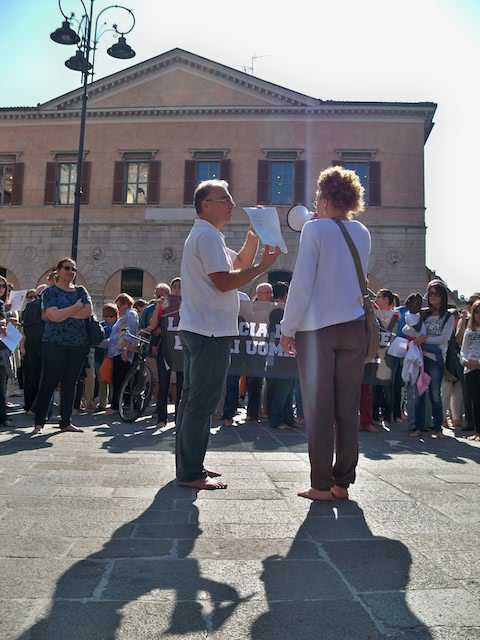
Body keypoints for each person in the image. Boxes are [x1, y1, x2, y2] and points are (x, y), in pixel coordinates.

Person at [176, 178, 280, 490]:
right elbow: (224, 281)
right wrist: (262, 267)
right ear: (205, 204)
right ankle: (191, 472)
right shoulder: (207, 236)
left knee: (191, 400)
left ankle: (190, 465)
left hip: (201, 328)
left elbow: (238, 262)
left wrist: (254, 235)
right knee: (201, 403)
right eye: (224, 199)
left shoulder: (209, 235)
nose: (232, 204)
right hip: (209, 331)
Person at [280, 166, 370, 501]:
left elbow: (302, 284)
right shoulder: (362, 231)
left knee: (319, 409)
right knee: (347, 407)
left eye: (318, 194)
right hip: (354, 327)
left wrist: (287, 328)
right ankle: (342, 483)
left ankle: (320, 484)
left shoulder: (314, 229)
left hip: (317, 330)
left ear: (327, 197)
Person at [32, 258, 93, 434]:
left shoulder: (81, 290)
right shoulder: (50, 292)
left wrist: (63, 313)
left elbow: (87, 312)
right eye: (67, 268)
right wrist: (75, 307)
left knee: (70, 383)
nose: (71, 272)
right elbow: (53, 316)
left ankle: (66, 422)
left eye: (74, 269)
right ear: (58, 270)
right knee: (49, 382)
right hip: (54, 343)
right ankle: (39, 423)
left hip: (77, 344)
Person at [404, 280, 455, 438]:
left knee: (434, 393)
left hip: (436, 359)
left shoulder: (448, 316)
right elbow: (407, 328)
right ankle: (418, 427)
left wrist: (424, 339)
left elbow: (444, 338)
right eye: (430, 293)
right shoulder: (423, 313)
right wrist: (415, 330)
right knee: (419, 393)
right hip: (420, 357)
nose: (432, 297)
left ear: (442, 296)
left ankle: (437, 427)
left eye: (436, 294)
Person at [106, 294, 139, 414]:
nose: (118, 309)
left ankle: (116, 406)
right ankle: (120, 405)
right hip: (118, 351)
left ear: (126, 304)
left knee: (120, 380)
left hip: (122, 351)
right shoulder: (125, 316)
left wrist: (125, 348)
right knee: (119, 379)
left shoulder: (131, 314)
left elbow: (130, 331)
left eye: (119, 306)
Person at [460, 299, 480, 441]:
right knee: (475, 401)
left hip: (478, 366)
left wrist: (478, 363)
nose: (479, 315)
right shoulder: (469, 331)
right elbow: (463, 351)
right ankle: (477, 432)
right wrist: (465, 361)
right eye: (476, 312)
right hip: (469, 370)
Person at [95, 303, 118, 410]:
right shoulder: (101, 325)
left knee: (112, 380)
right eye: (106, 316)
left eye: (111, 316)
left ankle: (113, 402)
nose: (108, 318)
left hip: (112, 356)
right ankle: (102, 403)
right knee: (102, 380)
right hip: (100, 356)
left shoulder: (118, 326)